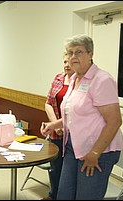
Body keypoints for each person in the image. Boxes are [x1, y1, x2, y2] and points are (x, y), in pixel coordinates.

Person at [40, 34, 123, 200]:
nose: (73, 57)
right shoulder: (74, 79)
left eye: (79, 52)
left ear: (90, 54)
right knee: (64, 194)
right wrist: (55, 125)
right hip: (73, 146)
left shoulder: (101, 80)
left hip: (98, 150)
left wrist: (95, 153)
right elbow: (74, 113)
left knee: (86, 196)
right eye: (70, 52)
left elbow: (115, 121)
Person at [41, 52, 75, 200]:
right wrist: (55, 125)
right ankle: (53, 195)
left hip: (74, 133)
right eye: (64, 62)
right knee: (55, 167)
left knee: (69, 170)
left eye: (69, 62)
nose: (66, 65)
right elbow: (48, 102)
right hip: (56, 132)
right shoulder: (58, 78)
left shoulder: (81, 82)